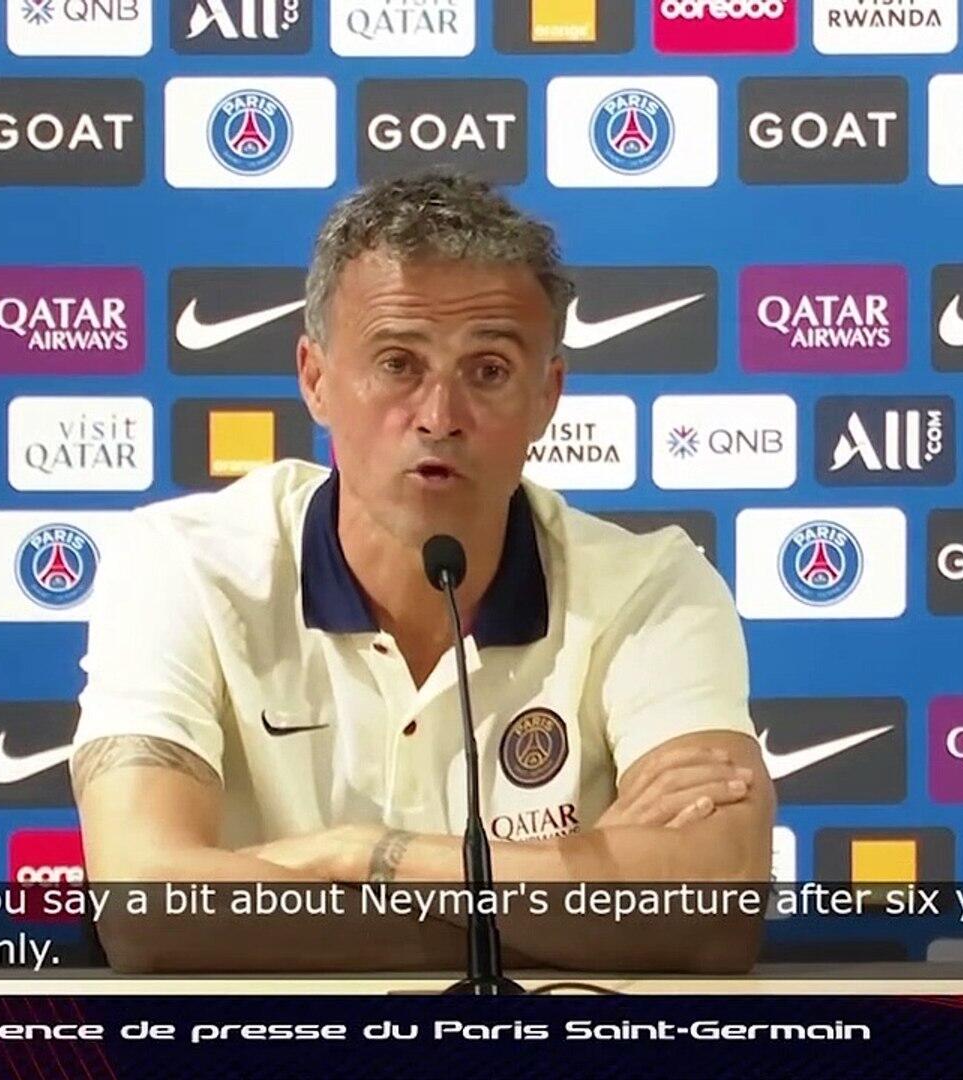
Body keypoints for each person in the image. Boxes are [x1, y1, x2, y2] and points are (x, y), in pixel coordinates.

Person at [71, 168, 773, 973]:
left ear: (547, 396)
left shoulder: (650, 588)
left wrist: (363, 855)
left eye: (489, 371)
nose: (440, 417)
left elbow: (712, 910)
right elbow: (148, 909)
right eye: (399, 363)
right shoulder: (185, 565)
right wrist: (558, 913)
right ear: (315, 380)